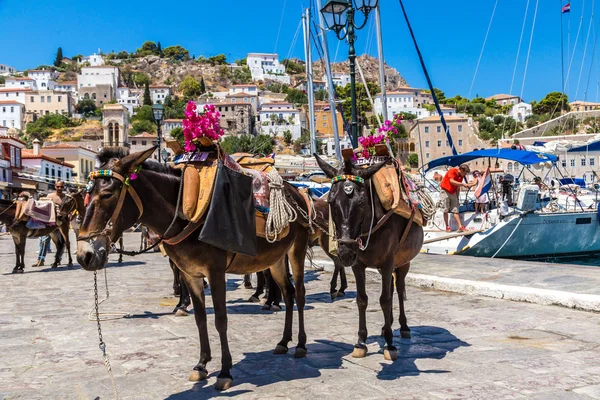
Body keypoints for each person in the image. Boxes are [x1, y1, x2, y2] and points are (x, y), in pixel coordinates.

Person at [33, 181, 66, 267]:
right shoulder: (49, 196)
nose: (59, 188)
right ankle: (40, 259)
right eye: (58, 186)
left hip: (60, 223)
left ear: (63, 187)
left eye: (61, 187)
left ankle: (58, 259)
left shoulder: (65, 198)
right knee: (44, 241)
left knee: (61, 242)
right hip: (49, 222)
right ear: (55, 186)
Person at [440, 164, 477, 232]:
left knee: (455, 209)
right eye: (465, 173)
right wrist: (463, 184)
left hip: (453, 192)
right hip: (445, 191)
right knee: (445, 209)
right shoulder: (452, 171)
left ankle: (460, 226)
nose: (465, 175)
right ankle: (447, 226)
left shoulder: (461, 176)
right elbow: (451, 181)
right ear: (461, 170)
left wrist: (457, 197)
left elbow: (457, 187)